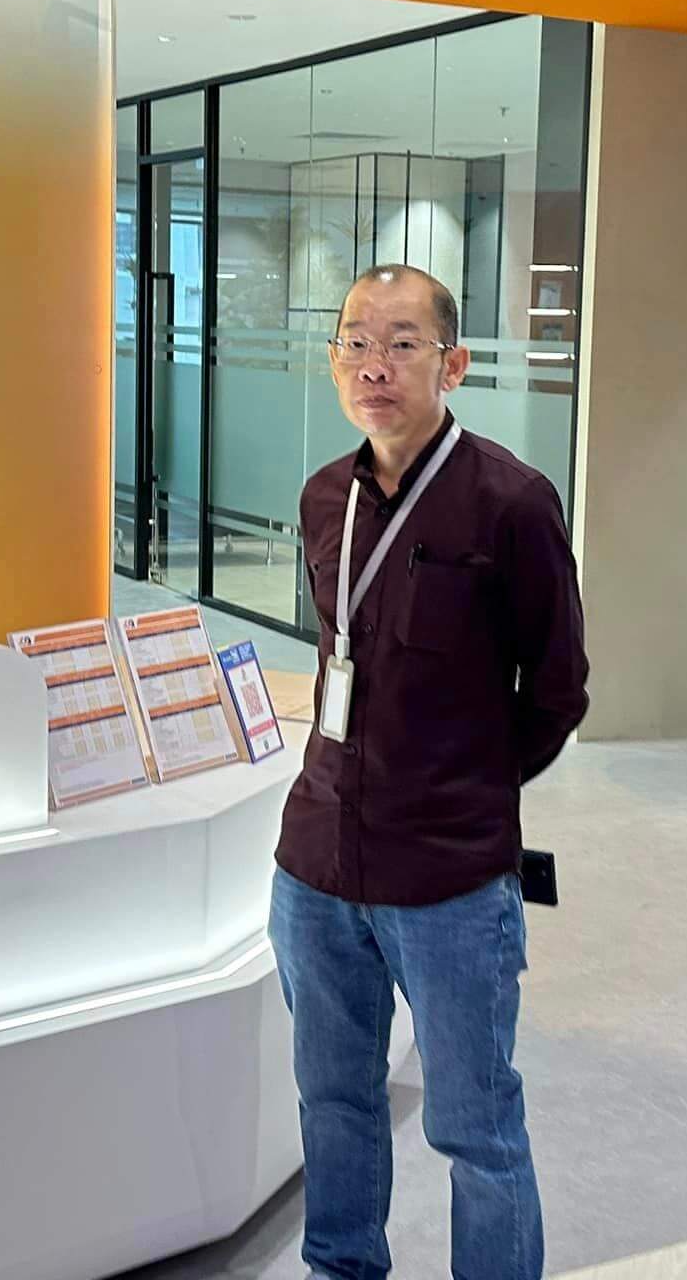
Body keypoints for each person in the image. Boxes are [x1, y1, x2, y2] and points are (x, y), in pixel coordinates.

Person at [269, 263, 590, 1280]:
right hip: (316, 864)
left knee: (473, 1128)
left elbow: (557, 689)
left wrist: (467, 788)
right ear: (334, 362)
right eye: (357, 343)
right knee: (333, 1103)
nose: (376, 365)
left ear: (452, 365)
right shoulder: (324, 498)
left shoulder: (512, 503)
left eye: (403, 343)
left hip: (449, 877)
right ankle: (339, 1268)